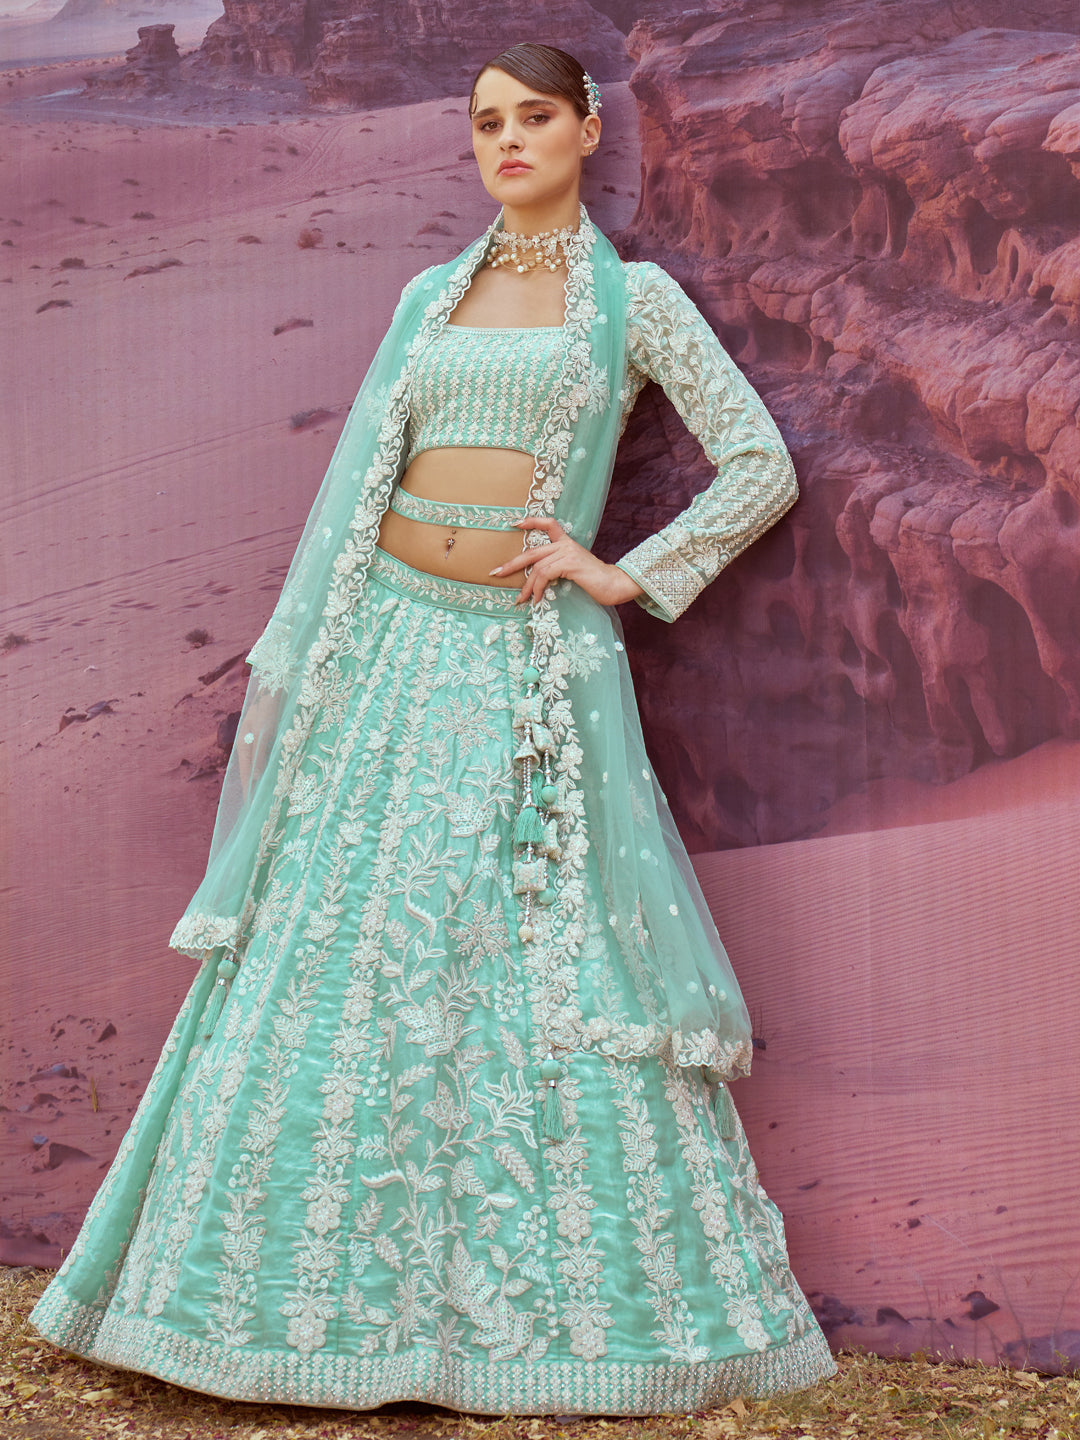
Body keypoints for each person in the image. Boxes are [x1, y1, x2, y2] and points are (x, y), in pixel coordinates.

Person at [30, 43, 836, 1415]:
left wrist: (623, 573)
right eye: (486, 123)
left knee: (521, 949)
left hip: (522, 660)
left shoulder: (633, 304)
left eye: (535, 117)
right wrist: (325, 663)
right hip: (391, 648)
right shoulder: (429, 295)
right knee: (341, 950)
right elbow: (363, 484)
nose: (508, 140)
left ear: (589, 131)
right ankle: (291, 1307)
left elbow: (759, 463)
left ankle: (513, 1321)